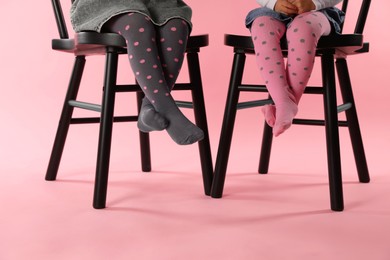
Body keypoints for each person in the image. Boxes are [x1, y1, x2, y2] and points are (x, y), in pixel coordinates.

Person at [70, 0, 204, 145]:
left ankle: (149, 106)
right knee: (136, 22)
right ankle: (169, 111)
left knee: (177, 24)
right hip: (105, 4)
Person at [246, 0, 345, 136]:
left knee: (303, 28)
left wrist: (314, 3)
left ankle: (282, 105)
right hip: (274, 10)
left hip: (318, 12)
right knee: (261, 27)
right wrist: (273, 3)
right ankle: (283, 103)